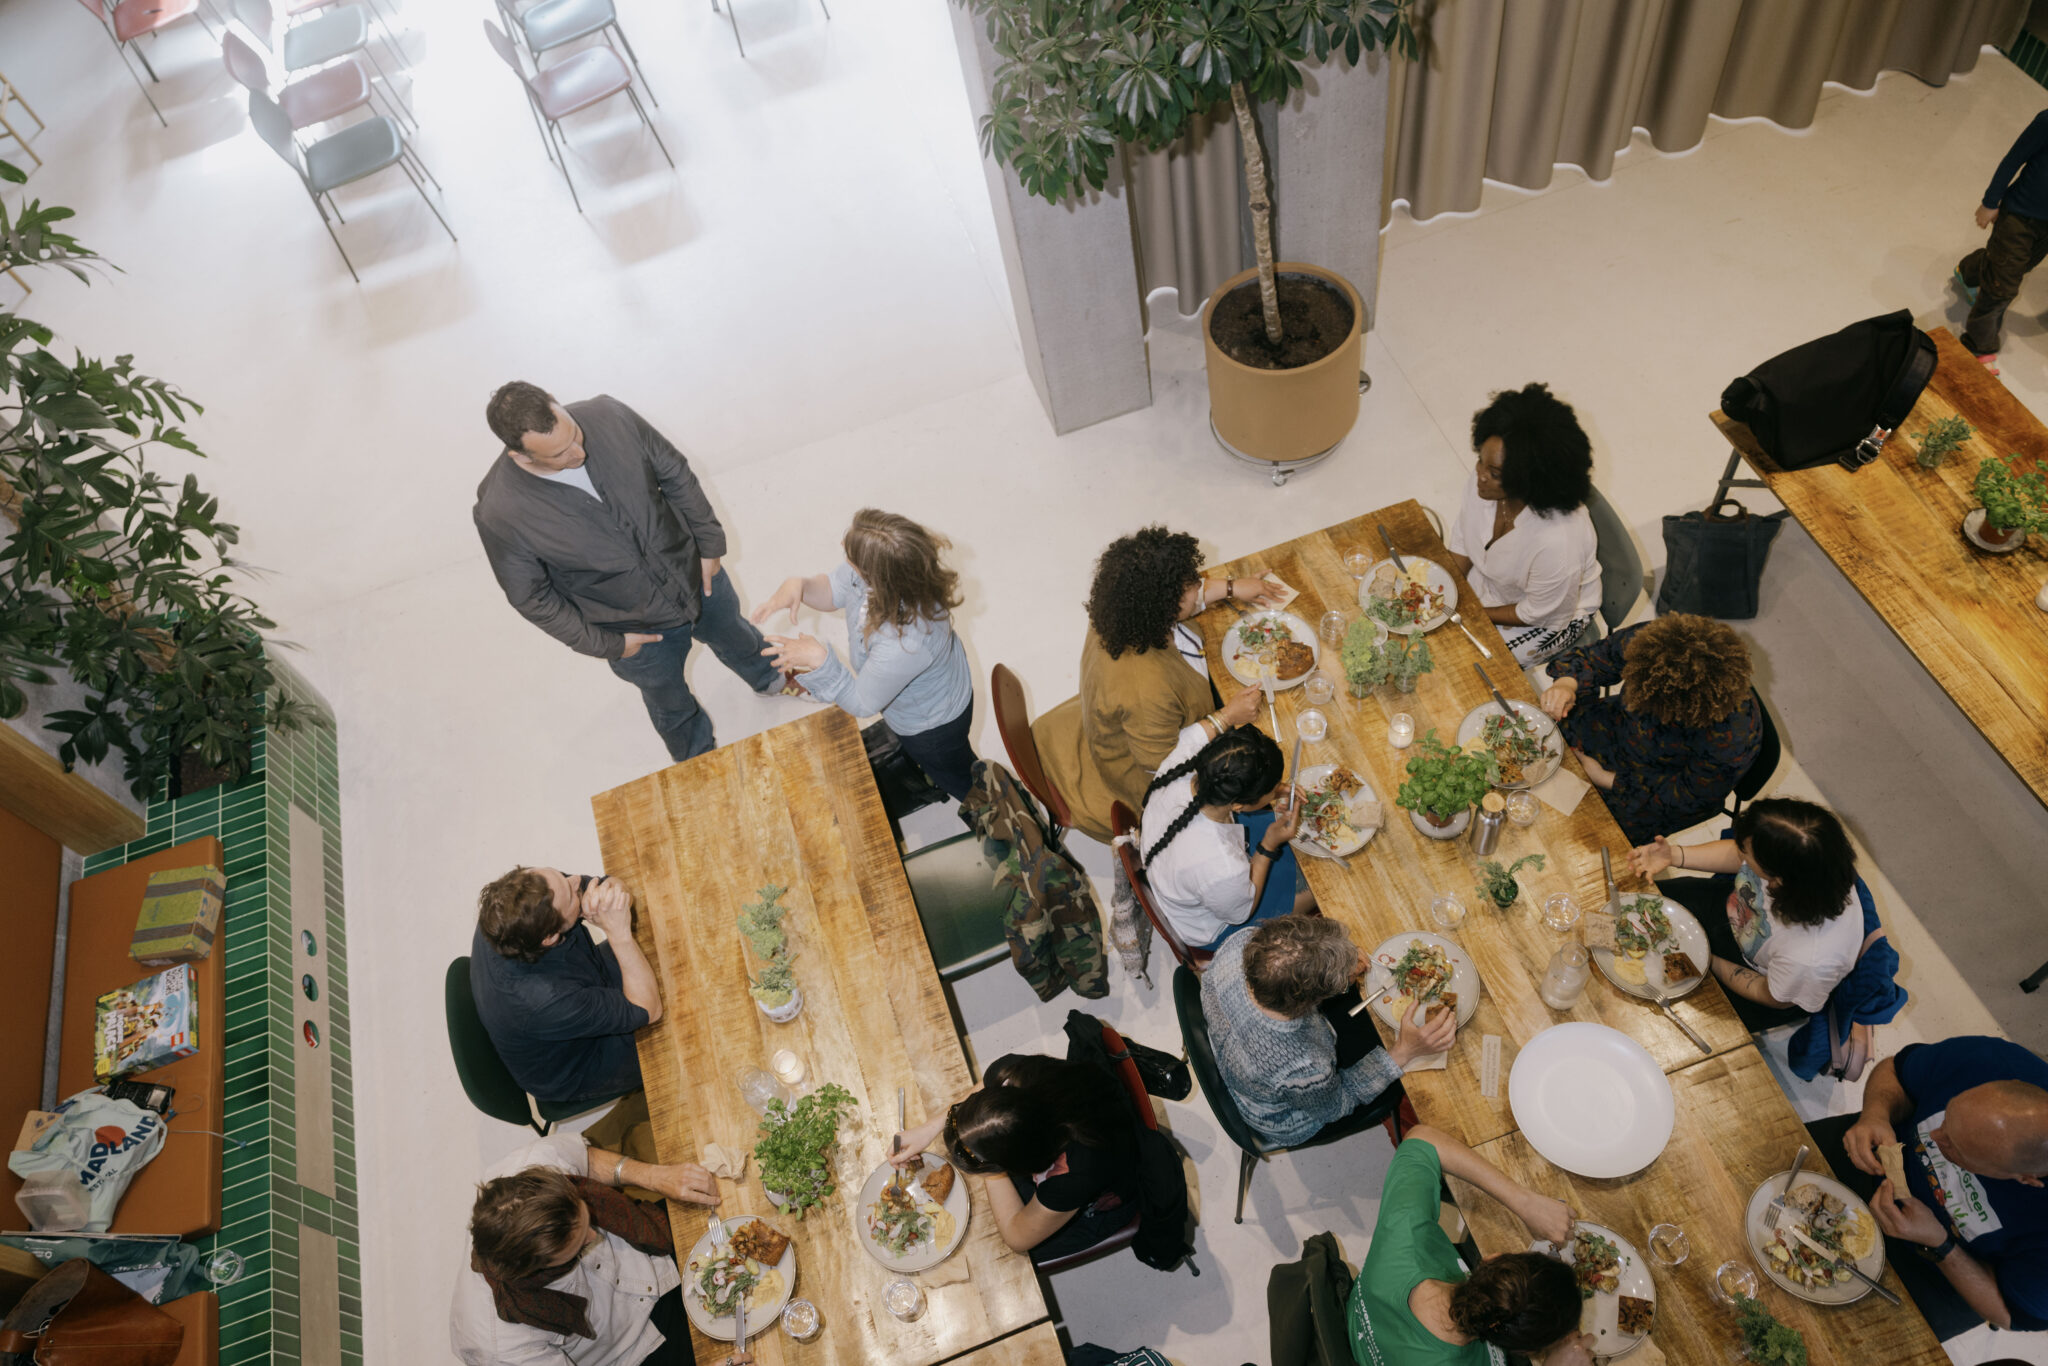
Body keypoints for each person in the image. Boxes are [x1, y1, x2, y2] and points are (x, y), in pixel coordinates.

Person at [475, 382, 792, 763]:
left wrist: (708, 546)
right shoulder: (500, 512)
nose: (580, 452)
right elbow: (531, 598)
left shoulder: (610, 415)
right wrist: (608, 645)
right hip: (633, 628)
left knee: (739, 636)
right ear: (520, 455)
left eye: (575, 433)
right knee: (670, 702)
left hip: (696, 576)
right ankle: (698, 759)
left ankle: (770, 678)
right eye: (560, 454)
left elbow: (674, 473)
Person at [1036, 526, 1280, 841]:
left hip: (1112, 721)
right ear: (1161, 606)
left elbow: (1181, 597)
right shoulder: (1146, 688)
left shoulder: (1121, 610)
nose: (1199, 590)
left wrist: (1231, 588)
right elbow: (1163, 762)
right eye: (1190, 588)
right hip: (1143, 772)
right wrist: (1226, 718)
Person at [1810, 1035, 2048, 1339]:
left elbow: (2009, 1312)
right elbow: (1895, 1072)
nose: (1934, 1135)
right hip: (1867, 1159)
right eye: (1947, 1116)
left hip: (1935, 1268)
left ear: (2027, 1178)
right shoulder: (1990, 1059)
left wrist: (1939, 1244)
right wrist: (1876, 1114)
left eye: (1955, 1148)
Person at [450, 1128, 739, 1366]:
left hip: (644, 1247)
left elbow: (583, 1158)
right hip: (632, 1350)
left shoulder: (528, 1166)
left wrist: (654, 1177)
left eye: (586, 1215)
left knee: (741, 1207)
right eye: (578, 1245)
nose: (594, 1236)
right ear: (539, 1268)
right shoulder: (501, 1348)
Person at [750, 509, 977, 799]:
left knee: (959, 778)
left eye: (852, 559)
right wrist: (802, 586)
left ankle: (998, 822)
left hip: (932, 726)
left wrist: (821, 663)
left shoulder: (907, 641)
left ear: (878, 577)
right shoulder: (889, 577)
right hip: (918, 700)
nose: (844, 551)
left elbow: (862, 702)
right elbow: (836, 588)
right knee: (946, 766)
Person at [1349, 1125, 1593, 1366]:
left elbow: (1422, 1140)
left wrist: (1525, 1202)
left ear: (1491, 1258)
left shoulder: (1402, 1239)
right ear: (1524, 1352)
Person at [1200, 916, 1455, 1146]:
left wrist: (1338, 957)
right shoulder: (1304, 1066)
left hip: (1240, 1054)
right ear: (1308, 1002)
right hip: (1286, 1115)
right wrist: (1402, 1052)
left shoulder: (1240, 943)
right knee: (1406, 1079)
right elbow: (1338, 1104)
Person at [1628, 797, 1862, 1031]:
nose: (1741, 855)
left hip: (1756, 981)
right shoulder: (1809, 863)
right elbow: (1742, 855)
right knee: (1635, 910)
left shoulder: (1809, 958)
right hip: (1734, 913)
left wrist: (1703, 958)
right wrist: (1674, 856)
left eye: (1747, 854)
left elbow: (1770, 996)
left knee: (1658, 1017)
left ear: (1777, 880)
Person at [889, 1054, 1144, 1261]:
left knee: (1015, 1252)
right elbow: (984, 1089)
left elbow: (1016, 1236)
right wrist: (929, 1128)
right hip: (1093, 1103)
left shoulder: (1071, 1175)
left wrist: (991, 1173)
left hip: (1111, 1189)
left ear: (1019, 1166)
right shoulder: (1011, 1076)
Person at [1538, 613, 1762, 847]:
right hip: (1610, 727)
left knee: (1572, 839)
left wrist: (1606, 779)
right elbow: (1595, 658)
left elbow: (1685, 798)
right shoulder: (1662, 644)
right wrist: (1567, 684)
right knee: (1529, 757)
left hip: (1646, 788)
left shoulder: (1734, 737)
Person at [472, 868, 661, 1109]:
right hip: (584, 1063)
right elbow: (649, 1009)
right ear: (549, 937)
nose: (575, 882)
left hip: (583, 983)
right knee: (681, 1025)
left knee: (655, 935)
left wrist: (609, 893)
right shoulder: (544, 1000)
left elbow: (602, 883)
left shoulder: (514, 902)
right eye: (571, 895)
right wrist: (619, 934)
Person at [1442, 384, 1602, 667]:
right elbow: (1464, 536)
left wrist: (1470, 612)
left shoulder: (1557, 543)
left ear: (1531, 480)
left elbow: (1536, 612)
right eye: (1481, 460)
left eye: (1494, 473)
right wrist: (1444, 587)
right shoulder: (1485, 483)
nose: (1479, 475)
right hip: (1495, 587)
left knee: (1465, 664)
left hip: (1546, 617)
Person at [1139, 719, 1307, 951]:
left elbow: (1195, 734)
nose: (1275, 791)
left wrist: (1272, 790)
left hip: (1179, 876)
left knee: (1295, 843)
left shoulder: (1180, 769)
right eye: (1269, 792)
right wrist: (1268, 845)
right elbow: (1242, 912)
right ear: (1237, 805)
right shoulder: (1221, 866)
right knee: (1320, 888)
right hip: (1213, 927)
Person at [1954, 109, 2048, 375]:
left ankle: (1969, 271)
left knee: (2015, 266)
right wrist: (1990, 202)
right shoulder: (2046, 121)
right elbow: (2013, 160)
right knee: (2002, 288)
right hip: (2019, 217)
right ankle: (1978, 345)